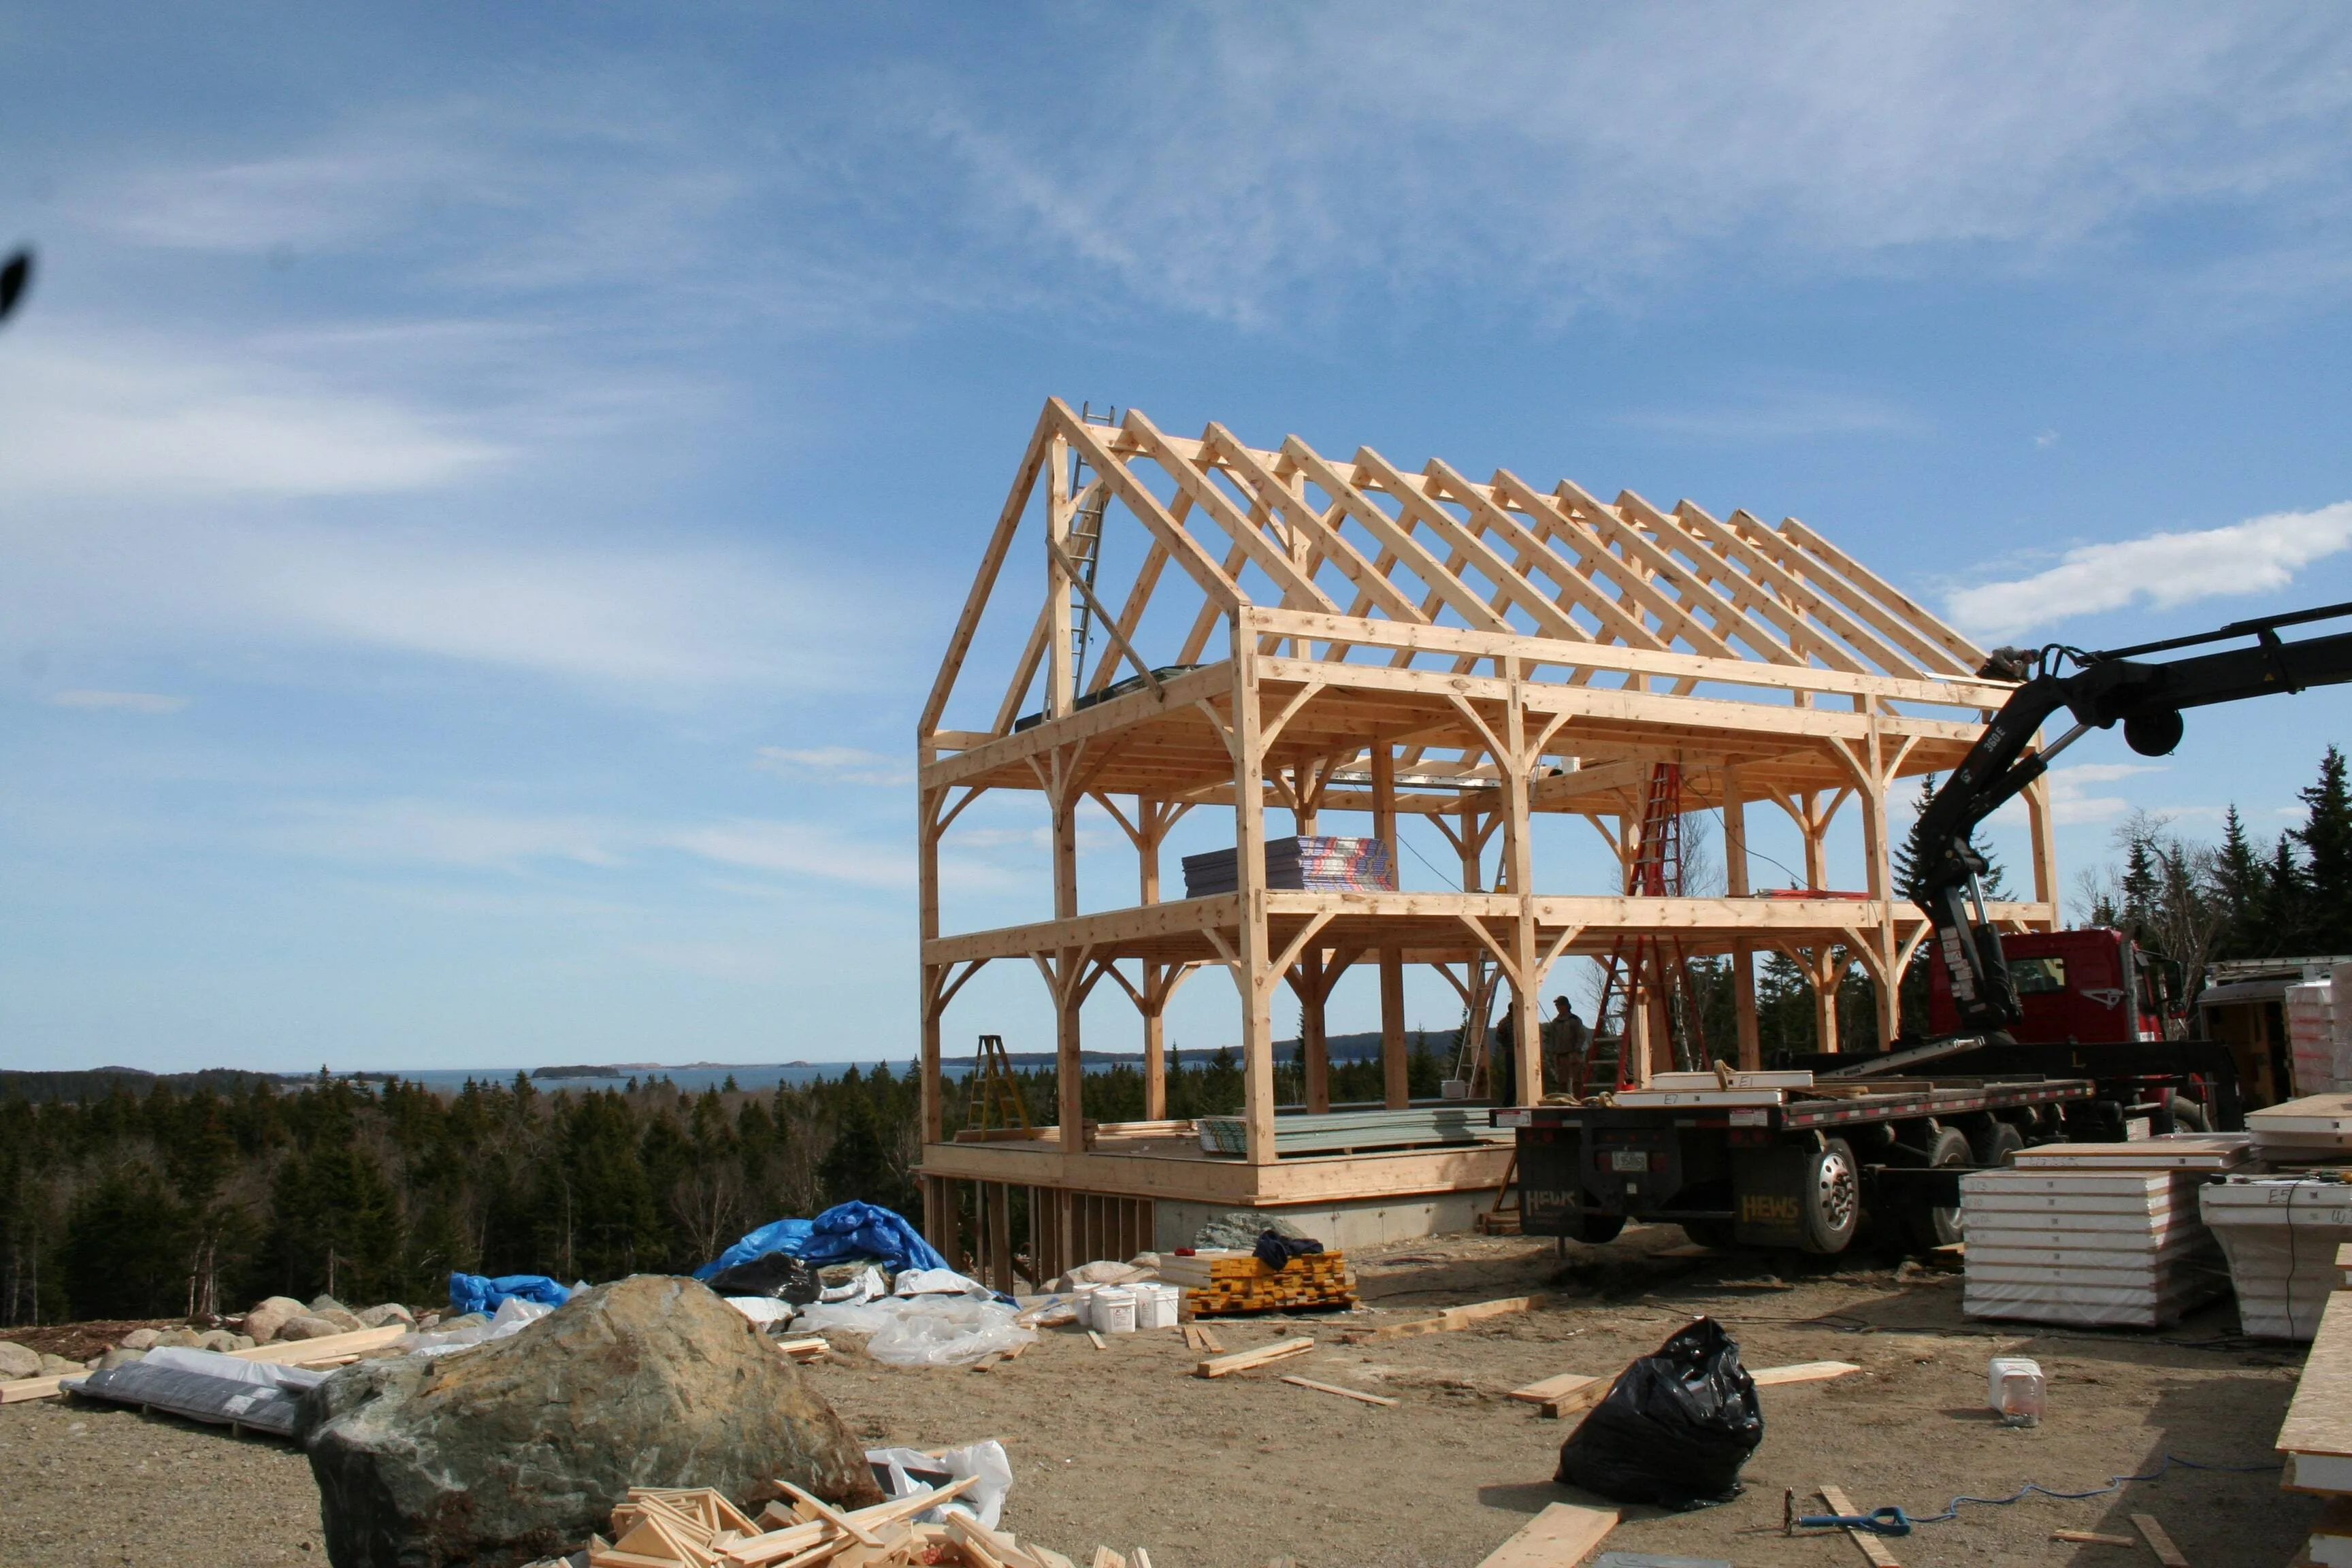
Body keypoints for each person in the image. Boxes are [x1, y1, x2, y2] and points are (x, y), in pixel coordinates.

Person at [1543, 996, 1590, 1098]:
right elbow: (1552, 1039)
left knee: (1577, 1080)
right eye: (1557, 1006)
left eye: (1560, 1005)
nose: (1558, 1007)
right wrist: (1553, 1053)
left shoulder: (1574, 1020)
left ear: (1566, 1006)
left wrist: (1577, 1050)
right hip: (1560, 1055)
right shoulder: (1555, 1022)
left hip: (1573, 1054)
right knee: (1562, 1081)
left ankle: (1578, 1099)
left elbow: (1581, 1036)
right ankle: (1564, 1100)